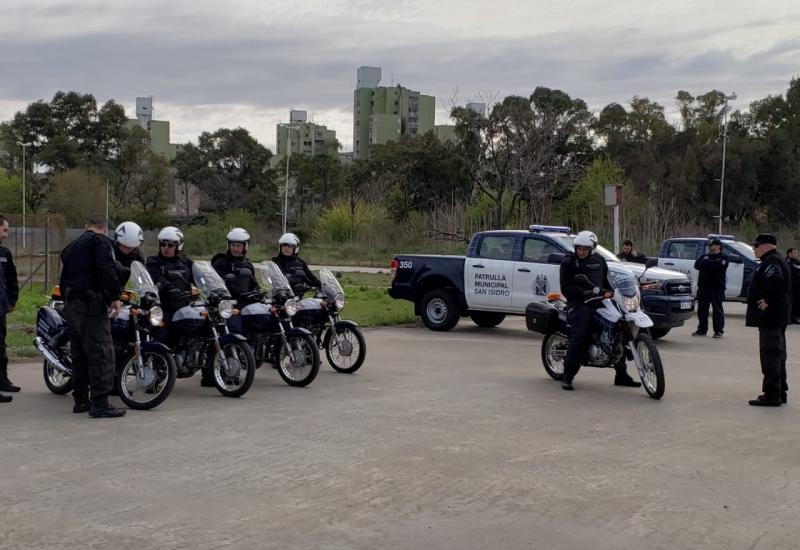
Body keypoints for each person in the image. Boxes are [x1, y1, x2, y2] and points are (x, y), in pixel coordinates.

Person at [59, 214, 125, 418]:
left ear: (86, 226)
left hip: (72, 303)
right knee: (102, 352)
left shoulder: (71, 247)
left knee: (79, 354)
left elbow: (64, 277)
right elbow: (106, 268)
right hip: (90, 305)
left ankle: (81, 400)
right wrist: (115, 296)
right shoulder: (101, 242)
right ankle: (100, 403)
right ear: (105, 229)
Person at [559, 230, 642, 391]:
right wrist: (583, 293)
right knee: (581, 335)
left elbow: (606, 281)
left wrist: (617, 292)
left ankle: (621, 375)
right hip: (579, 303)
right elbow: (566, 288)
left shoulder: (599, 260)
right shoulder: (569, 262)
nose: (581, 251)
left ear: (592, 249)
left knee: (621, 328)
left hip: (600, 301)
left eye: (585, 249)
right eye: (579, 248)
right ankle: (567, 376)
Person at [146, 227, 207, 384]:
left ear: (178, 246)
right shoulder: (154, 262)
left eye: (170, 245)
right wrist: (169, 287)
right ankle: (153, 375)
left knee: (209, 324)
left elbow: (202, 278)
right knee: (161, 334)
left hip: (183, 308)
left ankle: (210, 374)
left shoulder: (186, 262)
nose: (166, 248)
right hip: (162, 308)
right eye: (163, 244)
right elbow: (156, 278)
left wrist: (214, 288)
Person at [747, 234, 792, 406]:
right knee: (778, 354)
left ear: (766, 246)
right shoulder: (774, 259)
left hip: (771, 316)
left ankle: (772, 394)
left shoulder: (771, 261)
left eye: (756, 246)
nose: (754, 249)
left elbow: (776, 281)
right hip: (777, 315)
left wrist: (767, 299)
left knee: (770, 355)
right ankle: (780, 392)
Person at [0, 215, 20, 402]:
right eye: (4, 230)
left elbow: (12, 280)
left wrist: (12, 301)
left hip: (1, 308)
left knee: (1, 345)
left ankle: (3, 380)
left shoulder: (4, 254)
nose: (6, 235)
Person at [692, 238, 729, 338]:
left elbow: (719, 266)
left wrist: (707, 263)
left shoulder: (724, 257)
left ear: (718, 246)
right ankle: (702, 329)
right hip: (703, 287)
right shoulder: (704, 256)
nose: (710, 247)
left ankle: (718, 331)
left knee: (717, 309)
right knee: (702, 309)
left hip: (717, 288)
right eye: (709, 245)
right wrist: (710, 263)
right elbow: (697, 265)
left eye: (712, 245)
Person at [113, 221, 146, 286]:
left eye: (130, 248)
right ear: (118, 242)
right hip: (111, 289)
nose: (126, 250)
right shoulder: (110, 252)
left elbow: (142, 277)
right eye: (124, 246)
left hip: (130, 291)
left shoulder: (138, 256)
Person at [785, 248, 800, 324]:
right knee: (789, 302)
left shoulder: (797, 262)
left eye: (797, 252)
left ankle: (795, 318)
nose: (796, 254)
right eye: (794, 252)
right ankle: (788, 318)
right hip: (789, 286)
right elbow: (792, 270)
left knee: (797, 302)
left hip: (797, 286)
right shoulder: (786, 262)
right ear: (789, 254)